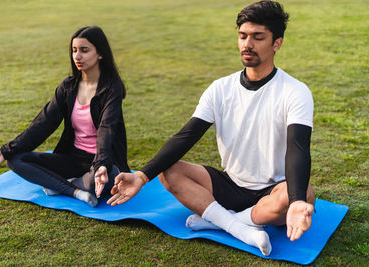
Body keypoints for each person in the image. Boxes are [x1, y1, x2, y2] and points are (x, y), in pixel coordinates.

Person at [106, 1, 315, 256]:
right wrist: (142, 176)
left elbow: (297, 148)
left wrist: (295, 202)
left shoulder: (295, 91)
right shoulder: (220, 89)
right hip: (229, 184)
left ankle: (222, 220)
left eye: (258, 37)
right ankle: (239, 227)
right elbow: (186, 136)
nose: (247, 44)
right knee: (168, 171)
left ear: (277, 43)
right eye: (242, 36)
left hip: (273, 190)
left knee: (304, 194)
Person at [0, 26, 130, 207]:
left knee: (110, 176)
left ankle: (65, 184)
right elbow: (43, 123)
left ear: (100, 54)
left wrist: (102, 165)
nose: (77, 56)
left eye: (84, 50)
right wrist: (5, 151)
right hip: (73, 158)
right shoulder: (68, 87)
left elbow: (107, 128)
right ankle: (74, 191)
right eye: (74, 50)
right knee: (16, 160)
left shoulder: (111, 89)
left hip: (103, 161)